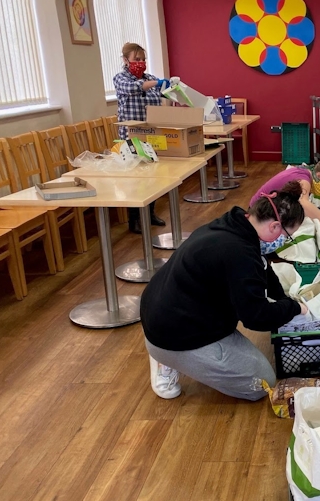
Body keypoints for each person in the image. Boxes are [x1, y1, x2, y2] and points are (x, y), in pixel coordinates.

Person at [140, 185, 308, 401]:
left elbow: (263, 268)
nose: (285, 241)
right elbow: (256, 317)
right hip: (173, 333)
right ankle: (168, 359)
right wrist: (294, 308)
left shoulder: (236, 224)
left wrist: (283, 299)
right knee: (261, 383)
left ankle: (174, 355)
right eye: (288, 235)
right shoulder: (239, 253)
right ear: (275, 226)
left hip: (166, 310)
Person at [113, 42, 168, 234]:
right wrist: (157, 83)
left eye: (143, 59)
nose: (141, 63)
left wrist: (171, 87)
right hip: (129, 138)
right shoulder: (120, 79)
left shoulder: (150, 78)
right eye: (137, 59)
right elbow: (134, 88)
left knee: (152, 177)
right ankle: (134, 220)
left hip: (151, 135)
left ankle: (150, 213)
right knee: (134, 179)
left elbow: (163, 94)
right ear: (125, 60)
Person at [250, 160, 320, 225]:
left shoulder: (303, 171)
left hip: (260, 208)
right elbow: (304, 204)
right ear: (319, 176)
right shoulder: (304, 181)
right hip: (257, 213)